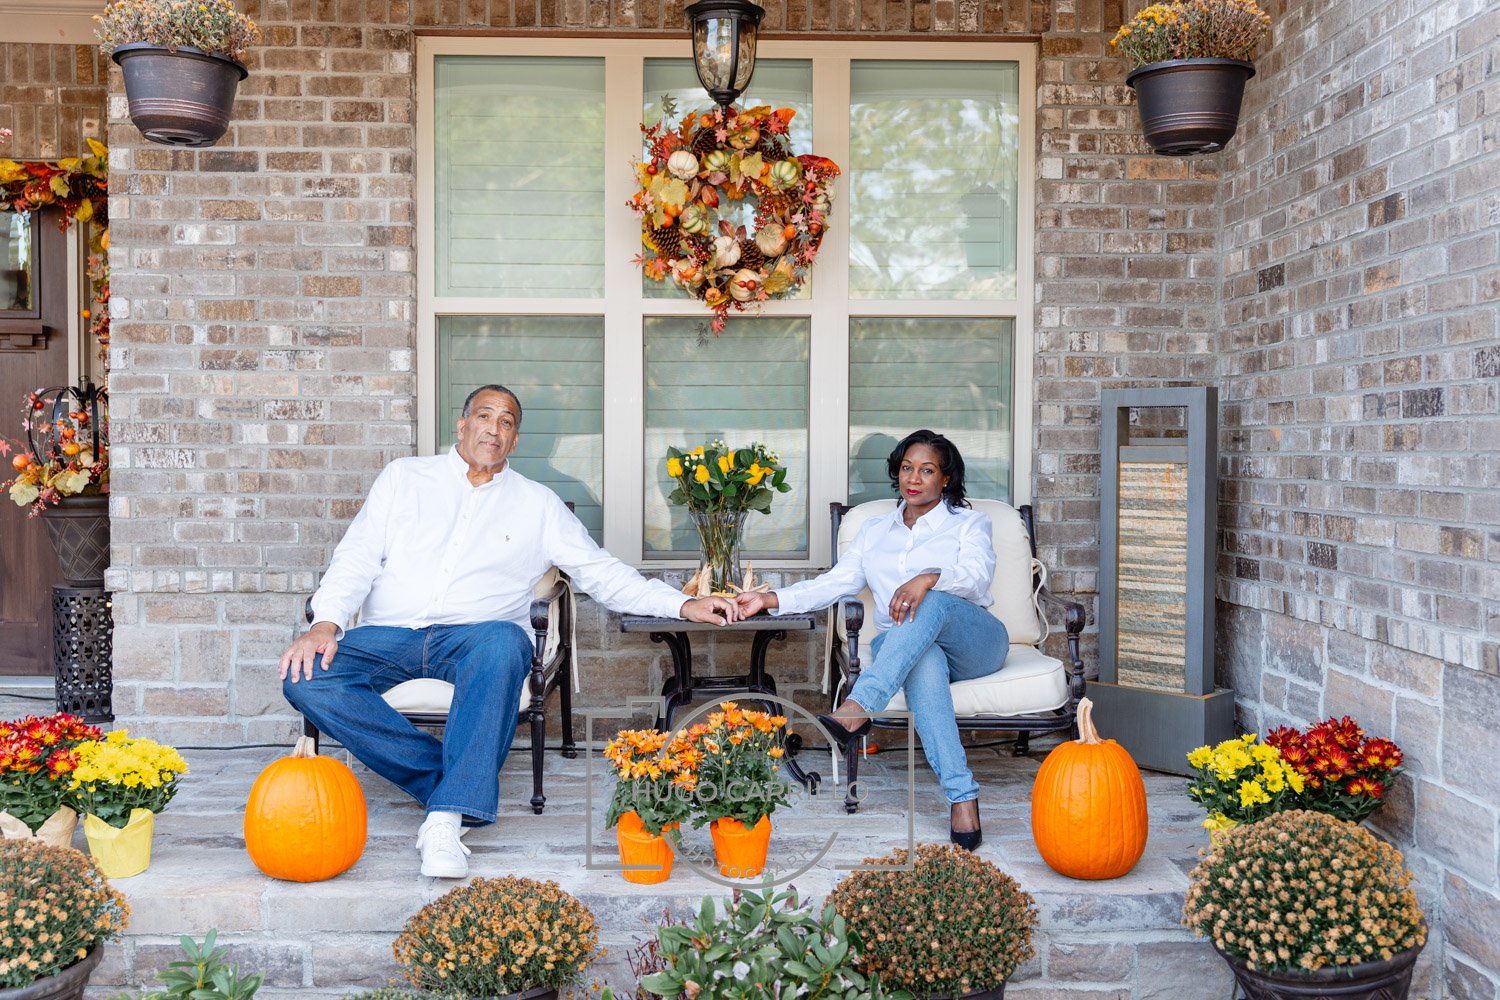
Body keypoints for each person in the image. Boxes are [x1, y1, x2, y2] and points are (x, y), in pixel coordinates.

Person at [279, 384, 739, 878]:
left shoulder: (539, 505)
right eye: (484, 416)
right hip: (392, 634)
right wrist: (325, 623)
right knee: (303, 676)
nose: (493, 429)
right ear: (462, 424)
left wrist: (682, 603)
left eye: (506, 422)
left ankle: (445, 818)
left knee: (504, 641)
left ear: (515, 439)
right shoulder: (404, 479)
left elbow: (602, 573)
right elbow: (357, 557)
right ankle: (452, 777)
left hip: (477, 639)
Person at [734, 429, 1007, 850]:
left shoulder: (969, 523)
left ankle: (859, 706)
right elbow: (835, 584)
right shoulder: (875, 530)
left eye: (927, 470)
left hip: (975, 640)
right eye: (906, 468)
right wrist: (769, 598)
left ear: (946, 478)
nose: (913, 478)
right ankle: (962, 797)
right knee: (924, 661)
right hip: (906, 647)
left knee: (929, 601)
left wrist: (928, 577)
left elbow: (976, 578)